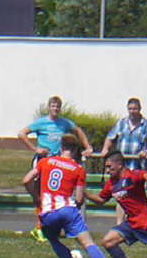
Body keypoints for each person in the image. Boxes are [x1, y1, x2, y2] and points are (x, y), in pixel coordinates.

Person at [22, 134, 119, 258]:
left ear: (61, 147)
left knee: (53, 240)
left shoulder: (45, 162)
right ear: (74, 150)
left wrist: (35, 197)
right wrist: (75, 209)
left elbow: (26, 180)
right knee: (87, 242)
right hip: (68, 209)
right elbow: (79, 198)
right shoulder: (78, 169)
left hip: (48, 211)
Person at [18, 96, 93, 243]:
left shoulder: (64, 123)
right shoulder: (41, 122)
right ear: (48, 107)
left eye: (58, 106)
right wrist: (35, 148)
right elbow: (21, 133)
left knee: (59, 195)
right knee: (40, 195)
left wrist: (87, 147)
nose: (55, 109)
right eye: (53, 106)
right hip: (44, 162)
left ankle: (54, 227)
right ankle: (40, 227)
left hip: (59, 164)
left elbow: (77, 130)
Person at [100, 97, 147, 224]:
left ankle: (137, 223)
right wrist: (105, 149)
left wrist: (146, 151)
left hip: (137, 167)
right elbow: (110, 137)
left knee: (136, 196)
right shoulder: (121, 123)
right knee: (121, 195)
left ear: (140, 109)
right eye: (130, 109)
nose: (132, 111)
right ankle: (120, 224)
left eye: (135, 109)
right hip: (122, 166)